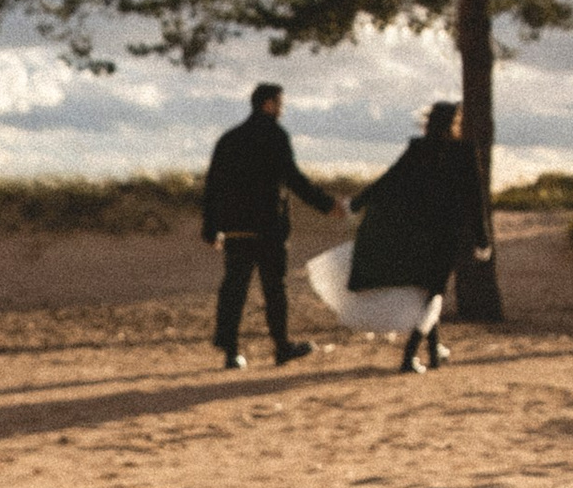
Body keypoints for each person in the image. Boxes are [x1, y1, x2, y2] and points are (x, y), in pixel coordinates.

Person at [318, 101, 490, 371]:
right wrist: (483, 239)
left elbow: (388, 180)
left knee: (427, 289)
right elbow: (475, 199)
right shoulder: (464, 152)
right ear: (453, 123)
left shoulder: (418, 149)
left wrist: (355, 203)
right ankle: (409, 355)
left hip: (417, 233)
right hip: (446, 234)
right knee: (434, 292)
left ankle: (435, 350)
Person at [199, 81, 334, 367]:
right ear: (268, 104)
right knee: (274, 289)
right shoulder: (275, 136)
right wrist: (325, 204)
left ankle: (230, 350)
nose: (282, 110)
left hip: (236, 227)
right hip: (268, 227)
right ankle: (281, 346)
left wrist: (211, 227)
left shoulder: (230, 139)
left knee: (234, 288)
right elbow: (294, 179)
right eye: (280, 103)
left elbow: (213, 186)